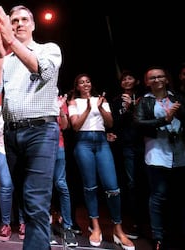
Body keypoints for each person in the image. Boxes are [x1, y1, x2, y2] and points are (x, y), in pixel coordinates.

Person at [0, 5, 62, 249]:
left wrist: (11, 43)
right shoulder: (5, 59)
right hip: (12, 134)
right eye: (14, 20)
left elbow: (42, 70)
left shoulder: (48, 49)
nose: (18, 23)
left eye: (24, 19)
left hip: (41, 132)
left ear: (33, 24)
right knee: (27, 202)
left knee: (35, 201)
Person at [67, 73, 135, 250]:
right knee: (90, 187)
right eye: (81, 82)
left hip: (101, 142)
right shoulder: (74, 103)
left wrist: (100, 107)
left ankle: (118, 230)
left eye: (88, 81)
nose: (86, 84)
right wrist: (89, 108)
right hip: (83, 143)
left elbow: (110, 123)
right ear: (77, 87)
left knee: (113, 187)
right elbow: (75, 126)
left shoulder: (102, 100)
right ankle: (95, 227)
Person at [134, 66, 185, 250]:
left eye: (160, 76)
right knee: (158, 195)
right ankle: (158, 236)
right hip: (156, 153)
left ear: (166, 79)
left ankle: (177, 233)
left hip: (179, 152)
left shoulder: (177, 98)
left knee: (178, 196)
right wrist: (164, 120)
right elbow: (139, 124)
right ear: (147, 82)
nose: (157, 80)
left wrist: (178, 113)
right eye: (152, 78)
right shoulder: (145, 101)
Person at [107, 70, 148, 239]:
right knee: (130, 183)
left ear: (137, 81)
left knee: (146, 181)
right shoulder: (116, 100)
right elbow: (114, 122)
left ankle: (148, 221)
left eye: (130, 78)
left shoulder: (145, 98)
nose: (126, 81)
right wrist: (111, 132)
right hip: (126, 144)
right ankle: (134, 222)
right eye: (124, 79)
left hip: (147, 142)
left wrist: (134, 106)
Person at [0, 105, 25, 242]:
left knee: (21, 186)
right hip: (2, 149)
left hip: (20, 150)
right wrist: (5, 127)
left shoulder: (23, 105)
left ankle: (23, 222)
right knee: (5, 186)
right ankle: (5, 224)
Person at [49, 94, 78, 247]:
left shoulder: (59, 100)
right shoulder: (39, 98)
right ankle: (46, 227)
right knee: (45, 187)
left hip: (58, 146)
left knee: (61, 185)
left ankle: (67, 227)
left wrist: (60, 109)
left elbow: (65, 126)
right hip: (42, 147)